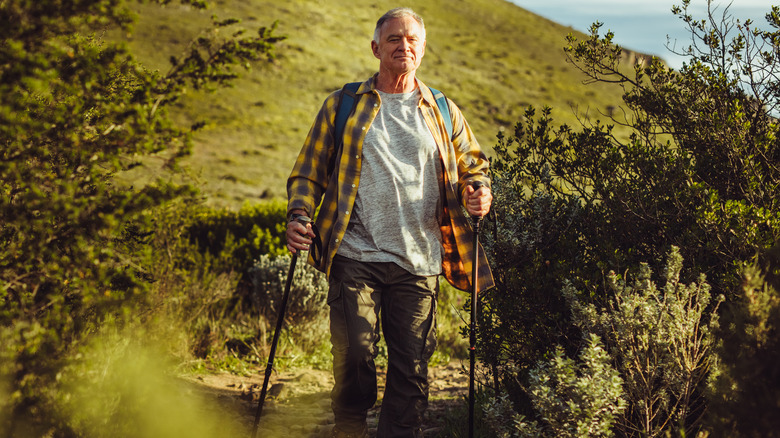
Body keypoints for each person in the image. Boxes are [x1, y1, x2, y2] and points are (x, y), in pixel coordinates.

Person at [286, 7, 494, 438]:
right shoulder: (343, 105)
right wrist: (299, 215)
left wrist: (479, 192)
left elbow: (473, 165)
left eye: (412, 39)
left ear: (422, 48)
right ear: (376, 48)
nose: (405, 46)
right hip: (355, 253)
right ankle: (349, 427)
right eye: (395, 39)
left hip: (419, 261)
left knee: (412, 368)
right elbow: (309, 172)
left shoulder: (441, 109)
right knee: (354, 355)